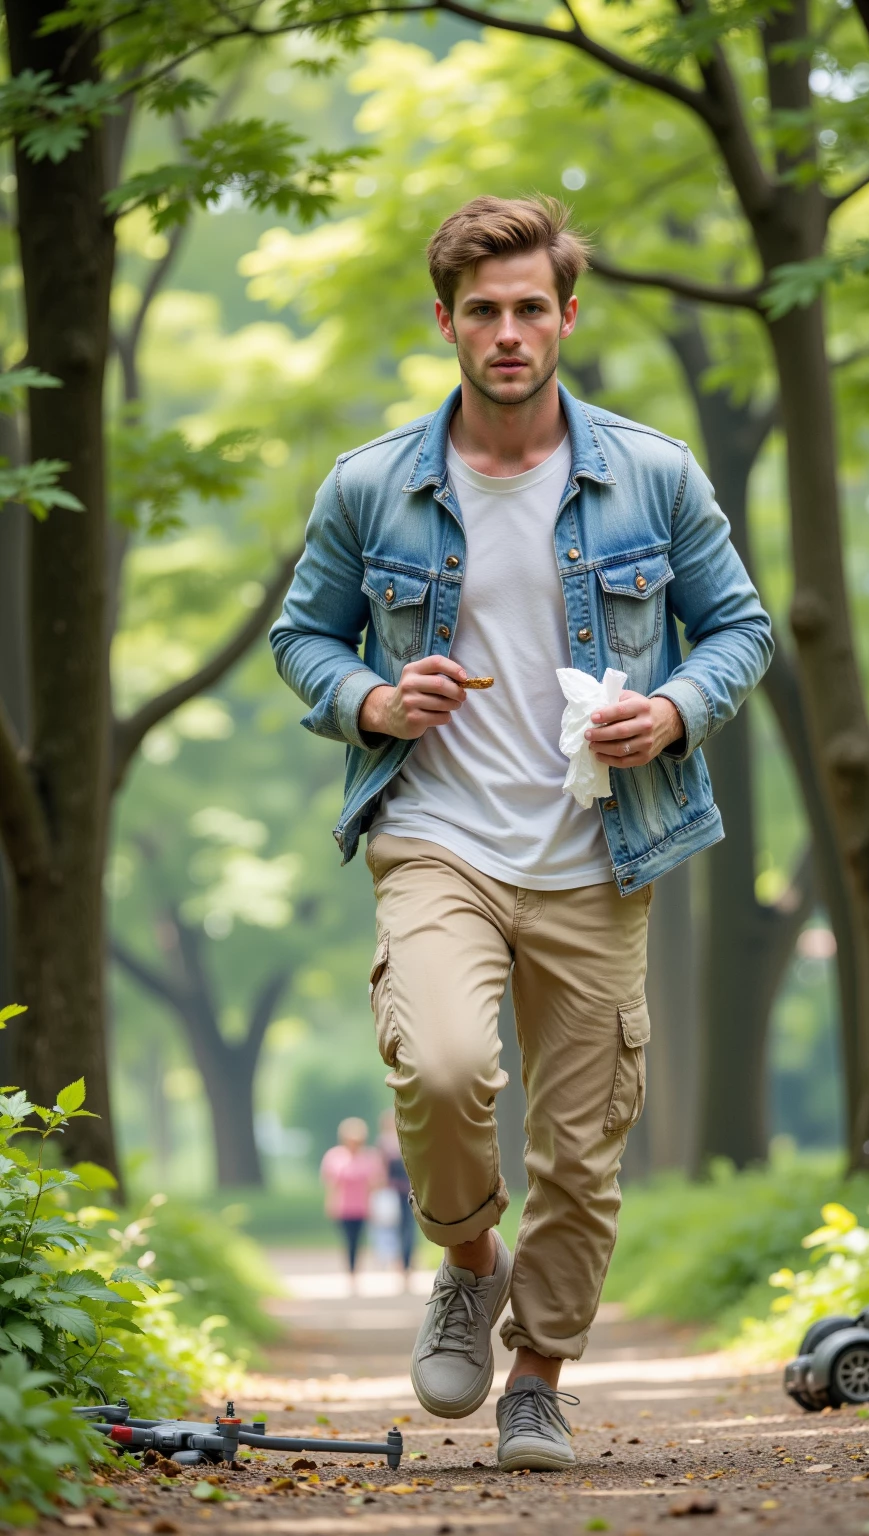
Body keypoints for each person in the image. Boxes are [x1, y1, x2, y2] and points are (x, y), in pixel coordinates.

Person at [271, 196, 772, 1471]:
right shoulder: (372, 485)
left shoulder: (650, 472)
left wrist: (669, 708)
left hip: (603, 850)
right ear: (443, 321)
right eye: (481, 311)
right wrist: (372, 699)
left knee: (582, 1145)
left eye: (529, 308)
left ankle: (538, 1380)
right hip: (436, 831)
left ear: (565, 317)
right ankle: (467, 1261)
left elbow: (741, 631)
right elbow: (301, 637)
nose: (507, 332)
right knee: (441, 1067)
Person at [320, 1117, 383, 1274]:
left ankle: (355, 1269)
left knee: (359, 1240)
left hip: (362, 1206)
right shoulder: (334, 1156)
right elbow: (330, 1184)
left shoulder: (370, 1156)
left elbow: (376, 1183)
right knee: (348, 1240)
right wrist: (329, 1204)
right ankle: (350, 1269)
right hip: (343, 1207)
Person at [378, 1108, 416, 1280]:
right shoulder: (388, 1142)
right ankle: (399, 1262)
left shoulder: (407, 1139)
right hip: (398, 1191)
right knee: (398, 1228)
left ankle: (405, 1262)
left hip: (405, 1191)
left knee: (406, 1228)